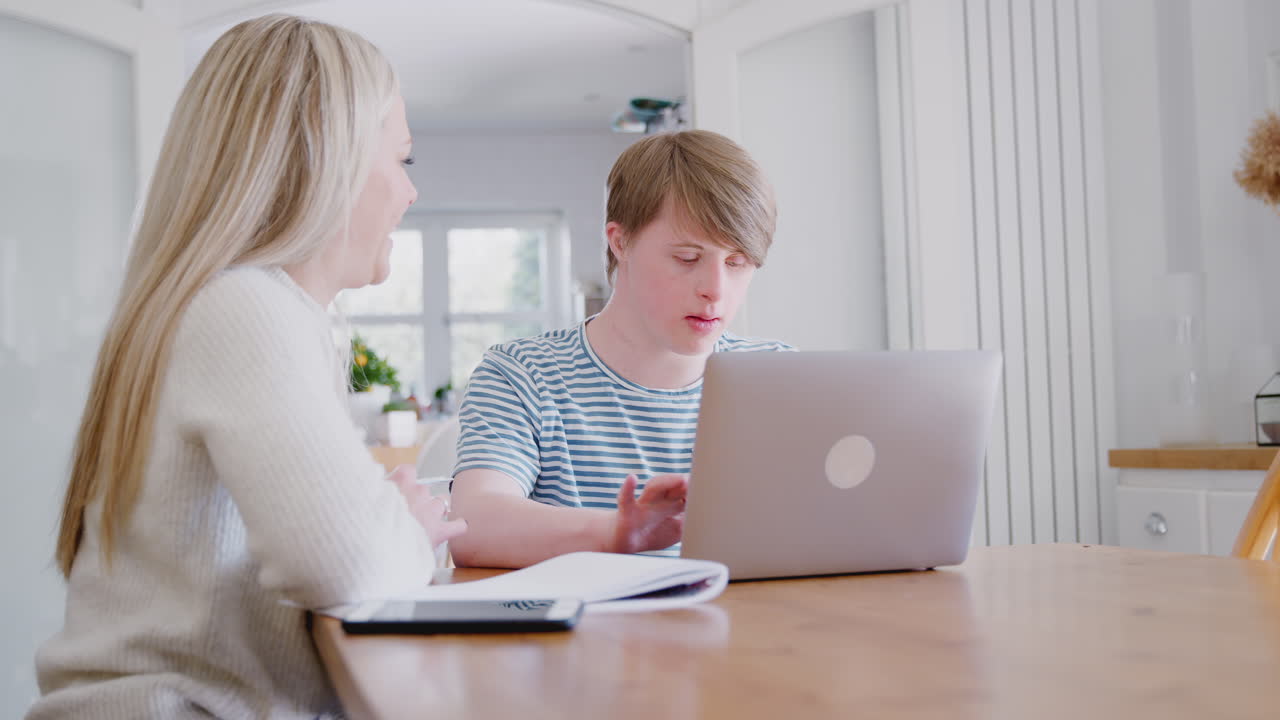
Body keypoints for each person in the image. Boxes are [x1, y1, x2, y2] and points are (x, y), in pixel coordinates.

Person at [28, 15, 465, 720]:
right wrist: (407, 531)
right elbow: (349, 562)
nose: (410, 194)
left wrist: (384, 523)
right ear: (328, 160)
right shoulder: (244, 307)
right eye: (402, 161)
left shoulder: (225, 305)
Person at [448, 129, 789, 569]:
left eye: (737, 263)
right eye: (688, 258)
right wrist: (617, 533)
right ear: (620, 241)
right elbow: (472, 526)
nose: (716, 290)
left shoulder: (777, 375)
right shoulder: (522, 375)